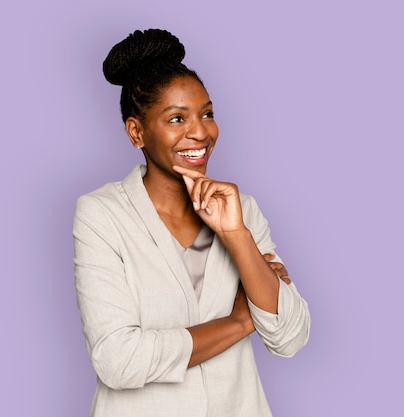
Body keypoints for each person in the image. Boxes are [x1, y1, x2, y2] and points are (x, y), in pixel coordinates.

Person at [73, 28, 310, 417]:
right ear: (137, 132)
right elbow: (117, 360)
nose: (200, 131)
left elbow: (290, 336)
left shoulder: (242, 210)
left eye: (207, 114)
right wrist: (236, 323)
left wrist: (236, 235)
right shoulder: (102, 214)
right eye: (177, 118)